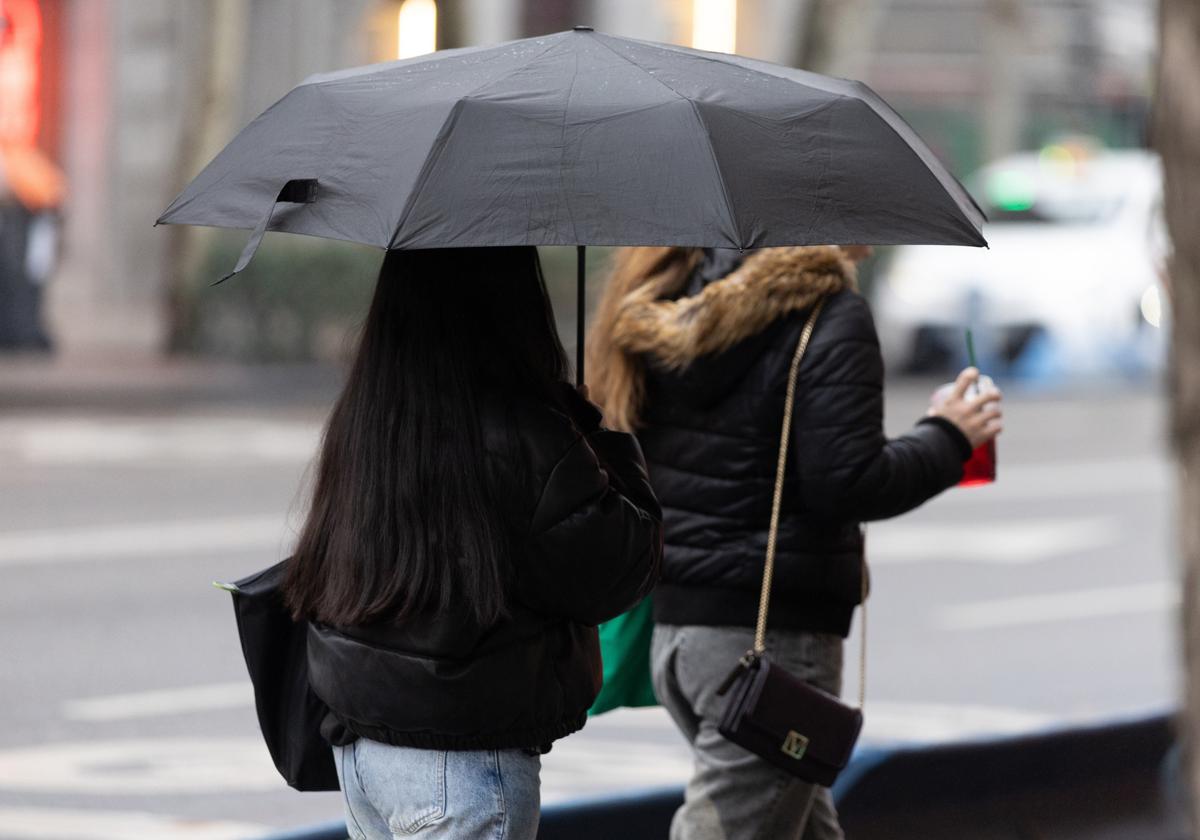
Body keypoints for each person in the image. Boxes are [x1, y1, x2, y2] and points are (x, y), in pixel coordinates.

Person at [587, 245, 1002, 840]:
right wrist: (949, 436)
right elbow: (849, 482)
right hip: (769, 644)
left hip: (682, 637)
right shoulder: (825, 311)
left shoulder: (672, 301)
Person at [283, 246, 663, 840]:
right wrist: (600, 439)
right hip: (461, 763)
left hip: (363, 745)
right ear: (511, 306)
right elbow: (620, 568)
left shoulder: (370, 416)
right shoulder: (526, 433)